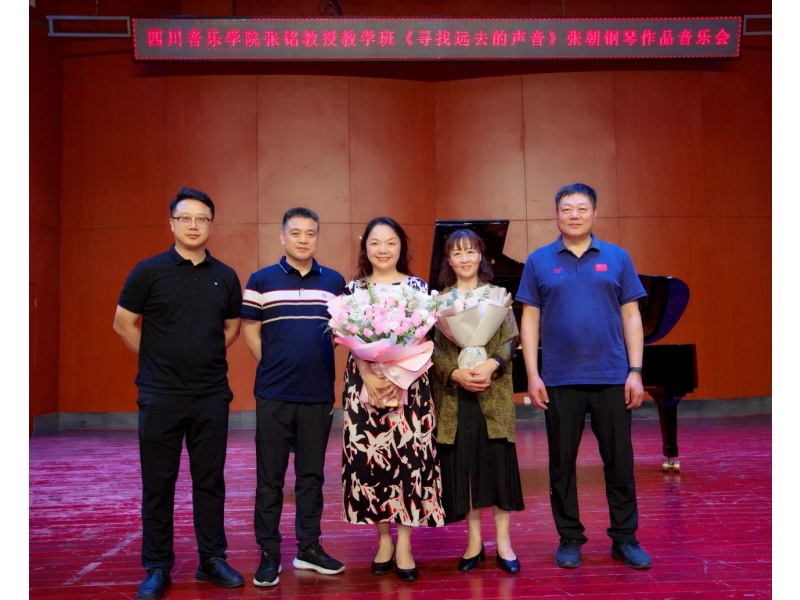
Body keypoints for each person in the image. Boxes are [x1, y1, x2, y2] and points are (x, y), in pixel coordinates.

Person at [113, 187, 245, 600]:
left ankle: (212, 559)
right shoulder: (148, 271)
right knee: (159, 484)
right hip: (160, 395)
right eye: (185, 218)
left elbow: (232, 328)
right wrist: (158, 359)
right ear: (171, 223)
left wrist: (201, 356)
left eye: (201, 219)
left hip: (211, 395)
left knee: (210, 482)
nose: (193, 226)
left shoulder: (226, 275)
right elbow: (123, 323)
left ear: (211, 225)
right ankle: (157, 566)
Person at [516, 182, 653, 571]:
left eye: (581, 208)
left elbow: (632, 317)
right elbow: (530, 320)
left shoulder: (618, 257)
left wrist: (635, 371)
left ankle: (624, 538)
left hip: (612, 376)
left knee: (619, 464)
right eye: (566, 208)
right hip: (559, 379)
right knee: (562, 464)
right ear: (556, 214)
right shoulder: (539, 261)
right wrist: (532, 374)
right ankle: (570, 538)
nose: (573, 214)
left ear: (594, 213)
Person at [240, 207, 347, 588]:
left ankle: (309, 547)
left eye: (310, 233)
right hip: (274, 394)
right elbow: (250, 330)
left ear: (317, 237)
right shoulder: (261, 280)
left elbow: (344, 332)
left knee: (311, 476)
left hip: (317, 395)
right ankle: (269, 552)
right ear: (282, 236)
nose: (303, 239)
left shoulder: (334, 281)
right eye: (296, 232)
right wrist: (273, 365)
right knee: (269, 478)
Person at [341, 216, 445, 582]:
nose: (382, 249)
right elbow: (348, 337)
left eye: (390, 242)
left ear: (401, 246)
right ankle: (383, 539)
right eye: (375, 243)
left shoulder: (417, 288)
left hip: (410, 383)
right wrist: (370, 375)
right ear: (365, 248)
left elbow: (423, 339)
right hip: (364, 384)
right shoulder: (353, 289)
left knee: (408, 460)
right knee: (370, 462)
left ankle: (405, 544)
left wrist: (398, 376)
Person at [430, 228, 525, 575]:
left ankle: (504, 543)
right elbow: (434, 349)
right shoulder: (440, 301)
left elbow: (510, 338)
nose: (465, 258)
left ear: (481, 255)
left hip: (491, 389)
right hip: (457, 395)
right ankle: (474, 542)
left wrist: (491, 364)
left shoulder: (496, 295)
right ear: (448, 260)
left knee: (498, 465)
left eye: (470, 251)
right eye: (457, 253)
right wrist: (454, 372)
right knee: (467, 467)